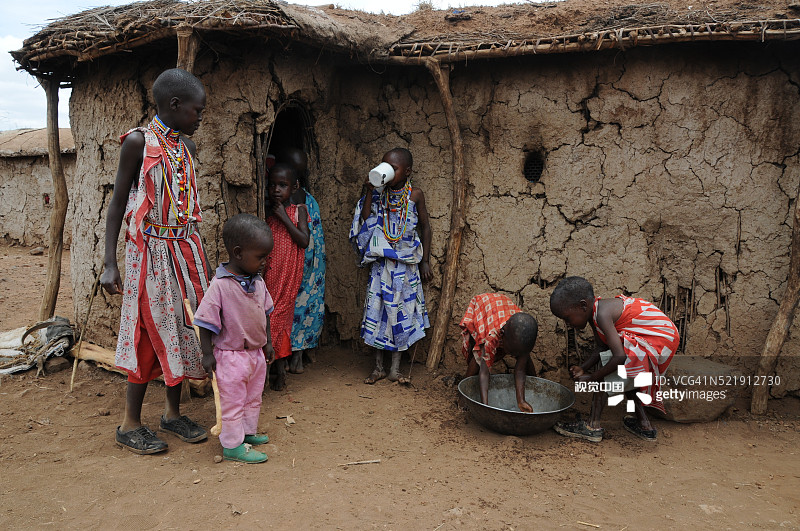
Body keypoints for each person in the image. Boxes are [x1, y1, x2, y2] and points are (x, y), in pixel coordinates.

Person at [100, 68, 210, 454]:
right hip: (150, 253)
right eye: (197, 111)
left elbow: (185, 206)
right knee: (148, 330)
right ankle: (129, 423)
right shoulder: (137, 143)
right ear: (175, 105)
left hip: (184, 250)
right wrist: (109, 261)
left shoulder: (187, 148)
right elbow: (117, 205)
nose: (201, 118)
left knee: (184, 326)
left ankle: (172, 414)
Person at [549, 276, 679, 442]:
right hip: (659, 341)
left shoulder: (602, 315)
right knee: (623, 371)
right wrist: (583, 367)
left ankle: (592, 426)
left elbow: (619, 356)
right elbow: (602, 347)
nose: (567, 324)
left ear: (583, 305)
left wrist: (592, 377)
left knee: (608, 367)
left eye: (567, 318)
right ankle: (645, 426)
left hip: (658, 342)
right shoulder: (595, 313)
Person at [193, 214, 275, 463]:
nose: (264, 263)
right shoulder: (220, 285)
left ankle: (247, 433)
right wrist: (207, 355)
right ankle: (231, 445)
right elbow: (205, 322)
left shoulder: (258, 282)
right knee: (233, 401)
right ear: (238, 253)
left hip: (255, 354)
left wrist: (268, 342)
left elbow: (266, 313)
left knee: (253, 396)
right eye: (260, 257)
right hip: (230, 357)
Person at [350, 147, 432, 384]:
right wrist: (369, 192)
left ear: (407, 172)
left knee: (401, 315)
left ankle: (395, 368)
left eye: (393, 168)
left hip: (406, 268)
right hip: (381, 266)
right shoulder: (379, 194)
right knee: (377, 314)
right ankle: (378, 368)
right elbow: (366, 220)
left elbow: (425, 226)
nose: (387, 171)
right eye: (384, 165)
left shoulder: (415, 195)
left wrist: (425, 260)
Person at [264, 163, 309, 391]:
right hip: (269, 277)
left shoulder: (298, 210)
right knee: (267, 320)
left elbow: (303, 240)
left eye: (283, 185)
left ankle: (279, 372)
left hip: (288, 276)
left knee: (280, 321)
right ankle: (270, 372)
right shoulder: (265, 212)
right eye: (272, 185)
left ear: (295, 187)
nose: (276, 190)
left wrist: (283, 216)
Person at [281, 148, 326, 375]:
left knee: (306, 305)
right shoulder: (288, 202)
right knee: (293, 304)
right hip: (294, 263)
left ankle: (297, 355)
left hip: (313, 266)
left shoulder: (307, 201)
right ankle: (291, 355)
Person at [460, 293, 539, 411]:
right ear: (502, 339)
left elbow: (520, 369)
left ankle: (537, 386)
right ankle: (462, 393)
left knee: (524, 357)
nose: (513, 356)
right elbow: (484, 372)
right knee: (479, 356)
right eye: (511, 352)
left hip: (502, 309)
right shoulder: (492, 338)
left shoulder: (523, 332)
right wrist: (485, 406)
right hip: (484, 307)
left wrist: (521, 401)